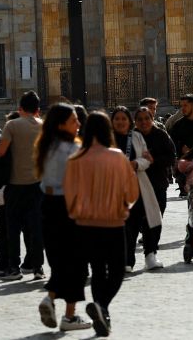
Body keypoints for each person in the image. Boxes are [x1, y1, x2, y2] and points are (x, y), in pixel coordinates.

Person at [64, 111, 139, 337]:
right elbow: (132, 191)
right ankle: (102, 305)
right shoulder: (118, 157)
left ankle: (102, 315)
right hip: (113, 222)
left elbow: (69, 193)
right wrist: (125, 205)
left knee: (97, 270)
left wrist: (76, 213)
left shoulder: (76, 158)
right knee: (117, 270)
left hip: (85, 223)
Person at [34, 102, 92, 332]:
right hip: (70, 205)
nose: (78, 123)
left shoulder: (45, 145)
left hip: (48, 205)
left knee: (59, 258)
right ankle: (69, 315)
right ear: (61, 124)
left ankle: (50, 299)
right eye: (73, 120)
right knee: (77, 263)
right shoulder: (72, 149)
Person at [0, 91, 46, 280]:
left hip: (15, 183)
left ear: (20, 108)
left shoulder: (12, 125)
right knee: (36, 227)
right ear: (38, 109)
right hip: (37, 183)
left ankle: (14, 268)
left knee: (13, 228)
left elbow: (1, 152)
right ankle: (38, 267)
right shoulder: (43, 126)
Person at [108, 106, 161, 273]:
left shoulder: (136, 136)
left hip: (135, 186)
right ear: (112, 121)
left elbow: (146, 159)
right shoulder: (107, 138)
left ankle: (132, 260)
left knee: (133, 223)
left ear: (129, 121)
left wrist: (136, 164)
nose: (120, 122)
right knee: (121, 225)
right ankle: (125, 260)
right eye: (117, 119)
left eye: (123, 118)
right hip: (113, 187)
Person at [132, 105, 176, 271]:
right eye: (140, 119)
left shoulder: (161, 135)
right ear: (135, 121)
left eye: (146, 118)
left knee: (155, 218)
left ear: (152, 119)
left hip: (157, 182)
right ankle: (131, 256)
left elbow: (171, 157)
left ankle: (151, 253)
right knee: (136, 220)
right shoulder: (132, 137)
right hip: (136, 184)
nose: (143, 122)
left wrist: (153, 160)